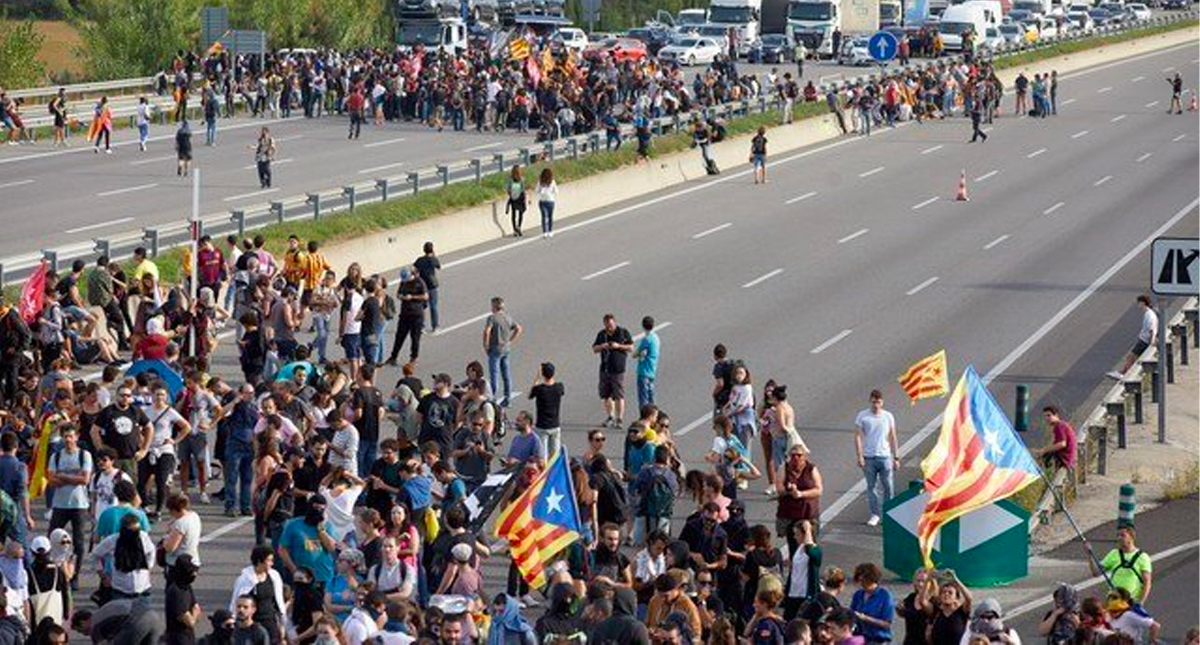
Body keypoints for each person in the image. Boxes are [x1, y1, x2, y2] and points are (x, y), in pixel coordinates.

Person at [46, 424, 90, 586]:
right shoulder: (56, 457)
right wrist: (73, 478)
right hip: (60, 504)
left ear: (76, 437)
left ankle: (74, 576)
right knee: (53, 538)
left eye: (71, 436)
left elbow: (85, 480)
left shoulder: (84, 455)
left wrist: (62, 476)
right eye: (65, 437)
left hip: (79, 504)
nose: (68, 440)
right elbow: (51, 480)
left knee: (78, 542)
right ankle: (54, 574)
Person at [854, 390, 899, 527]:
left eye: (878, 402)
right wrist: (859, 456)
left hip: (885, 456)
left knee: (888, 486)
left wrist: (896, 457)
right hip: (869, 457)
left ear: (882, 402)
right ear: (870, 401)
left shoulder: (888, 416)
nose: (876, 405)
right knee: (871, 487)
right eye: (873, 402)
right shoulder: (863, 416)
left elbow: (893, 436)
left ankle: (888, 514)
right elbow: (857, 436)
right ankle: (875, 514)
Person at [90, 511, 156, 598]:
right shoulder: (113, 540)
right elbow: (95, 555)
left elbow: (151, 551)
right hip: (120, 590)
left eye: (136, 530)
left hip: (143, 589)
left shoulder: (143, 537)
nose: (134, 534)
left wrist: (149, 567)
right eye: (130, 531)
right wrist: (103, 576)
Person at [231, 546, 287, 645]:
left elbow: (278, 601)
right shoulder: (245, 580)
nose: (272, 563)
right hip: (253, 624)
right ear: (259, 561)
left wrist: (282, 624)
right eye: (269, 560)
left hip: (271, 622)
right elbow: (236, 601)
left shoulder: (274, 576)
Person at [1091, 525, 1153, 603]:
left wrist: (1140, 603)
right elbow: (1096, 573)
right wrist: (1090, 555)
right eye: (1118, 535)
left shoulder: (1143, 557)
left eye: (1122, 535)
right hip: (1113, 601)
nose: (1119, 538)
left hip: (1131, 602)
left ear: (1131, 537)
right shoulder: (1113, 554)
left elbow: (1147, 583)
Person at [593, 314, 634, 428]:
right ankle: (610, 417)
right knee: (606, 395)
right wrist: (603, 346)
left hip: (618, 370)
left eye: (610, 325)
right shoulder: (602, 334)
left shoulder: (623, 332)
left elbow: (631, 347)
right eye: (607, 325)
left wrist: (618, 346)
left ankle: (619, 419)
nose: (609, 327)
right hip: (605, 369)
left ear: (615, 322)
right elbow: (594, 349)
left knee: (619, 395)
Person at [1107, 296, 1158, 380]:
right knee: (1132, 357)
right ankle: (1123, 373)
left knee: (1131, 357)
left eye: (1139, 303)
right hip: (1144, 340)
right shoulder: (1148, 313)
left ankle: (1124, 374)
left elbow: (1152, 329)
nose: (1138, 305)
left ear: (1143, 303)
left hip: (1144, 341)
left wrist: (1151, 341)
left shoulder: (1149, 315)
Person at [484, 297, 522, 407]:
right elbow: (518, 329)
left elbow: (487, 331)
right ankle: (507, 398)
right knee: (506, 374)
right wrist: (510, 341)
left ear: (494, 306)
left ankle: (492, 398)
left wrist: (486, 345)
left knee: (494, 374)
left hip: (495, 348)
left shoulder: (492, 318)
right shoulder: (508, 318)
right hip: (506, 348)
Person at [386, 267, 427, 367]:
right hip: (404, 313)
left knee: (415, 338)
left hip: (416, 314)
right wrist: (401, 296)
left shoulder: (419, 282)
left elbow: (425, 296)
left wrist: (412, 297)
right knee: (399, 336)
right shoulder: (403, 282)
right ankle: (393, 357)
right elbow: (398, 293)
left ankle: (413, 358)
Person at [848, 563, 892, 644]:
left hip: (878, 638)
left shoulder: (884, 595)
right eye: (859, 580)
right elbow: (851, 613)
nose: (860, 583)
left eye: (863, 581)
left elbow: (887, 624)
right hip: (860, 636)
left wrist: (865, 618)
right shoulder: (858, 594)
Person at [165, 554, 202, 645]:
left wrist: (193, 617)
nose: (195, 574)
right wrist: (193, 618)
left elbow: (197, 608)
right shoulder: (176, 592)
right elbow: (189, 621)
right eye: (192, 572)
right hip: (177, 640)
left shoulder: (187, 586)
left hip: (189, 637)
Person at [529, 362, 564, 459]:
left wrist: (537, 378)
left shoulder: (539, 389)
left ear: (543, 374)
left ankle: (544, 468)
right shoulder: (559, 387)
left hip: (542, 426)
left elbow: (530, 395)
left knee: (542, 456)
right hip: (555, 425)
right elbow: (560, 390)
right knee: (555, 456)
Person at [1031, 405, 1077, 473]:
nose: (1047, 418)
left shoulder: (1059, 426)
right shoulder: (1062, 425)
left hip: (1065, 459)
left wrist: (1044, 450)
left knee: (1044, 456)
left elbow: (1062, 444)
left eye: (1049, 415)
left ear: (1056, 415)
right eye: (1045, 416)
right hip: (1069, 459)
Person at [414, 242, 441, 333]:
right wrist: (434, 255)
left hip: (422, 286)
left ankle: (422, 326)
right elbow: (438, 266)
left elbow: (414, 269)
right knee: (433, 306)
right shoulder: (433, 259)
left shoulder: (419, 260)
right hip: (432, 285)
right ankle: (435, 326)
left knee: (422, 307)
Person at [635, 316, 660, 409]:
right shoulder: (656, 338)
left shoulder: (647, 339)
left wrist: (636, 354)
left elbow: (636, 353)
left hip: (644, 371)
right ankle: (654, 415)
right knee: (651, 398)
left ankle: (644, 416)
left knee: (643, 399)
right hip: (652, 370)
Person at [507, 165, 528, 237]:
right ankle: (519, 227)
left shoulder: (510, 180)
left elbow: (508, 189)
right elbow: (523, 189)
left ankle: (514, 230)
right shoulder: (522, 179)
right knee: (520, 213)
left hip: (513, 198)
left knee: (513, 214)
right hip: (520, 197)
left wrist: (511, 195)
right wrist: (524, 198)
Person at [536, 168, 558, 238]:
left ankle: (545, 232)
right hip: (550, 201)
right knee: (549, 217)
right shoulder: (549, 182)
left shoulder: (544, 182)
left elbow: (536, 191)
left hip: (543, 201)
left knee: (544, 217)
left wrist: (541, 191)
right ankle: (549, 231)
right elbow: (556, 191)